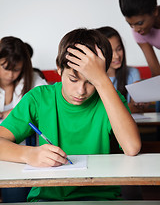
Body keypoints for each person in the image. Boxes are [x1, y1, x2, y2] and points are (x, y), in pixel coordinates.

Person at [0, 28, 141, 202]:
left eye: (91, 82)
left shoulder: (110, 99)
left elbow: (132, 147)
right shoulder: (39, 99)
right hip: (48, 197)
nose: (81, 91)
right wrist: (29, 154)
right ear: (59, 68)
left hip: (99, 197)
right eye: (73, 79)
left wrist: (102, 81)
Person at [0, 36, 48, 202]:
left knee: (17, 194)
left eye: (17, 69)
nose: (11, 75)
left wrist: (15, 113)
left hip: (23, 152)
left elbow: (47, 99)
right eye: (5, 68)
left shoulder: (33, 79)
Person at [96, 26, 149, 113]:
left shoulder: (133, 73)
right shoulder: (94, 78)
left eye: (119, 49)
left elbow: (136, 108)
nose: (117, 56)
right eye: (110, 52)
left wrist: (140, 103)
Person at [119, 0, 160, 77]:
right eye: (130, 24)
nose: (136, 29)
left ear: (155, 11)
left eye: (140, 23)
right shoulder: (139, 32)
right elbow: (156, 73)